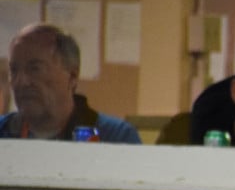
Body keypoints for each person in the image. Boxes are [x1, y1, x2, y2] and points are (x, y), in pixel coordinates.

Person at [1, 23, 141, 143]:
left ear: (72, 77)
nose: (21, 82)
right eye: (14, 70)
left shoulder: (115, 137)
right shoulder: (3, 132)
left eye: (35, 69)